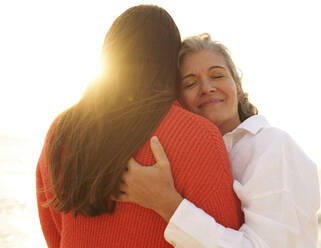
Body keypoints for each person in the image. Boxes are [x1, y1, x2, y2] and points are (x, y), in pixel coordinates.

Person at [36, 7, 243, 248]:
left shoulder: (61, 130)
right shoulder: (196, 134)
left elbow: (54, 232)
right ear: (170, 62)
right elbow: (225, 235)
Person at [115, 33, 321, 247]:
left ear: (238, 87)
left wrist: (167, 203)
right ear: (179, 100)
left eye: (217, 75)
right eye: (190, 83)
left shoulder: (272, 146)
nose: (207, 88)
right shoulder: (192, 157)